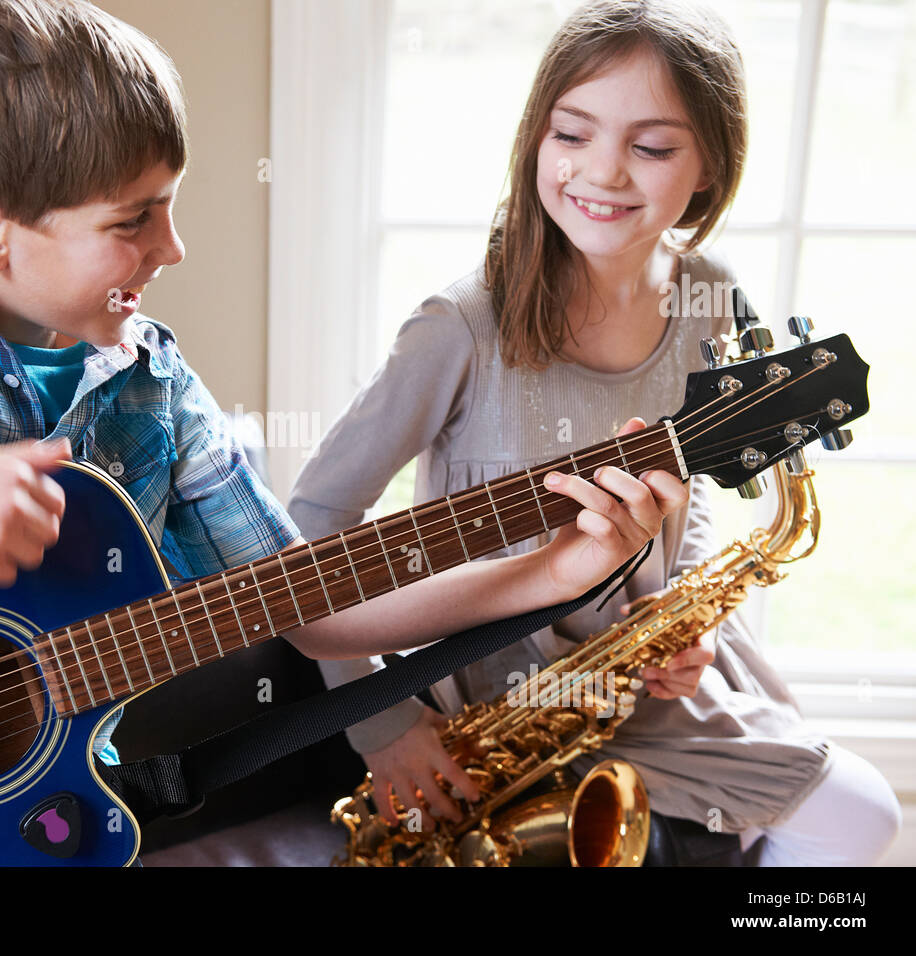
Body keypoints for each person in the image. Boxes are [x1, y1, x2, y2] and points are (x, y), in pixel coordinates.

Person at [0, 0, 682, 773]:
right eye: (132, 220)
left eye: (169, 205)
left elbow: (311, 604)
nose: (174, 246)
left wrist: (554, 571)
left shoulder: (152, 378)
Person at [288, 0, 900, 866]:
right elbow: (306, 533)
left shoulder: (710, 297)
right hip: (491, 694)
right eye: (572, 134)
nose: (603, 173)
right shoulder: (458, 325)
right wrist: (384, 727)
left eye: (651, 148)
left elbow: (697, 498)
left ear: (709, 168)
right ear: (536, 138)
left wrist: (689, 625)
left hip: (641, 682)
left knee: (868, 817)